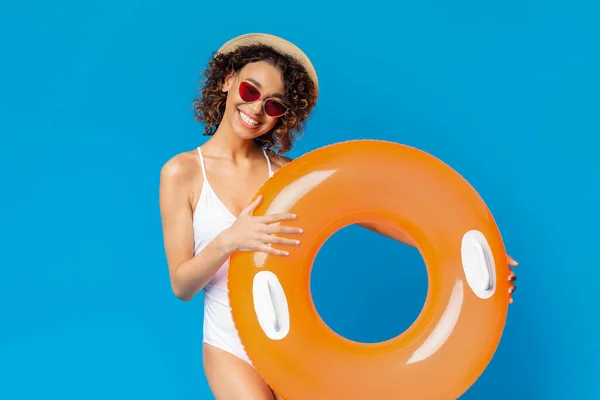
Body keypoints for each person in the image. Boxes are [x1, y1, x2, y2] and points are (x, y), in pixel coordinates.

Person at [159, 33, 519, 400]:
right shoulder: (183, 173)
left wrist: (469, 255)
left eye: (274, 106)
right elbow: (181, 285)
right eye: (251, 91)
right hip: (229, 345)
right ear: (227, 80)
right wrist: (230, 239)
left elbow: (379, 215)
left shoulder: (290, 177)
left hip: (295, 348)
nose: (256, 109)